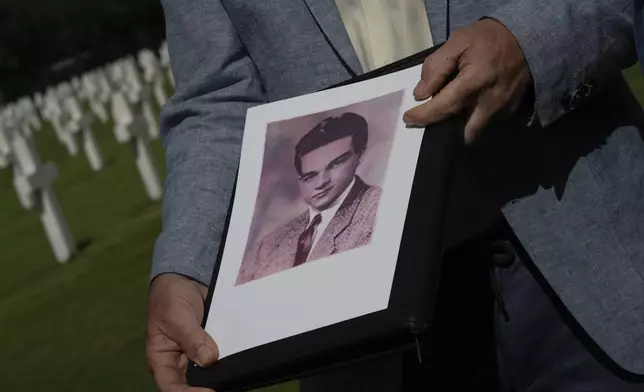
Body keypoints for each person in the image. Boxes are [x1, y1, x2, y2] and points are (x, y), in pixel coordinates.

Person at [146, 1, 644, 391]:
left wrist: (530, 44)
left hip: (582, 249)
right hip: (359, 332)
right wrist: (185, 263)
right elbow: (217, 100)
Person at [237, 112, 381, 285]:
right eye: (309, 176)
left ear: (360, 155)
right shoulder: (267, 246)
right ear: (300, 181)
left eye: (336, 164)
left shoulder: (379, 211)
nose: (321, 183)